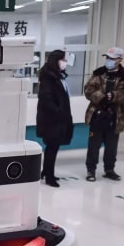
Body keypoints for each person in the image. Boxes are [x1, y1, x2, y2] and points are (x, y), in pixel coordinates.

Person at [83, 47, 124, 182]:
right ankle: (91, 170)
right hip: (97, 115)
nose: (109, 61)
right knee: (93, 146)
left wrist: (115, 96)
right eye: (107, 58)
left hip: (115, 116)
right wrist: (100, 96)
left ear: (119, 60)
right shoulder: (99, 74)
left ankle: (109, 170)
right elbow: (88, 89)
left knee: (112, 146)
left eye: (112, 58)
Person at [35, 50, 73, 188]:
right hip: (52, 120)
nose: (65, 63)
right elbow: (46, 98)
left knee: (53, 147)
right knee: (52, 147)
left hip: (59, 119)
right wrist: (57, 111)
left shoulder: (58, 76)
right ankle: (49, 176)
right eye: (63, 60)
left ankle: (46, 171)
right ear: (56, 60)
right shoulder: (48, 77)